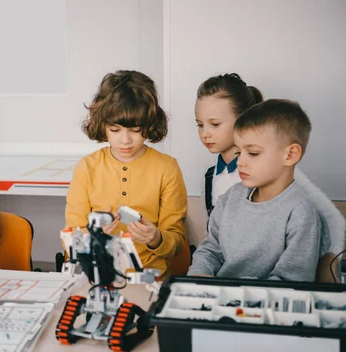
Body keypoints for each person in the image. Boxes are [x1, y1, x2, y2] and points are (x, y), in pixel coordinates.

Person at [188, 99, 331, 281]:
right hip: (219, 299)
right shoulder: (230, 198)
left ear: (290, 155)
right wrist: (200, 275)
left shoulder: (301, 212)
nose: (240, 162)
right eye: (239, 152)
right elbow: (210, 249)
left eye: (253, 153)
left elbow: (291, 280)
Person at [65, 70, 187, 277]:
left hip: (149, 278)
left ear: (149, 123)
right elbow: (71, 237)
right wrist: (94, 238)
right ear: (102, 126)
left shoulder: (167, 168)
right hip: (96, 275)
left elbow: (176, 244)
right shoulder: (87, 167)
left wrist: (156, 238)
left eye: (135, 129)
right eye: (115, 130)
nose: (125, 140)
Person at [195, 73, 263, 217]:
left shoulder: (265, 173)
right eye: (200, 125)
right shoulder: (208, 177)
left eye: (215, 124)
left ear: (242, 119)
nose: (205, 133)